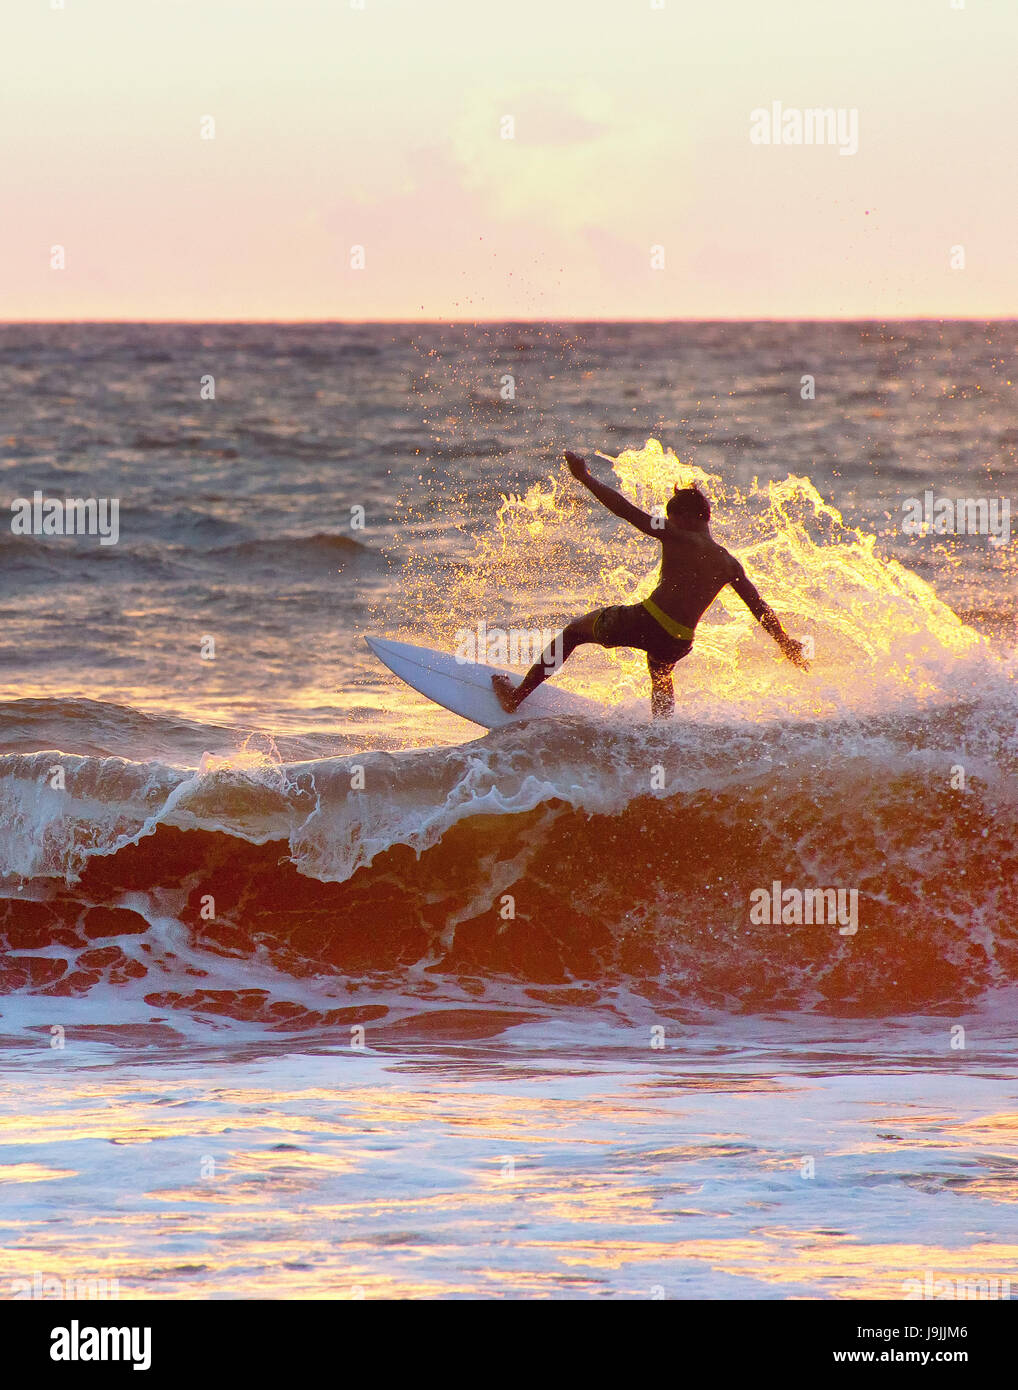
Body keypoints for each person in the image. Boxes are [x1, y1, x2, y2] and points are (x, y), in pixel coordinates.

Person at [492, 450, 810, 720]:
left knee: (574, 632)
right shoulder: (729, 563)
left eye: (670, 518)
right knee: (660, 671)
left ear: (683, 517)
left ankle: (515, 698)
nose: (667, 522)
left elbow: (628, 511)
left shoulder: (677, 535)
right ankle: (662, 734)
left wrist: (585, 478)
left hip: (648, 621)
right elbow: (759, 608)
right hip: (679, 639)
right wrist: (784, 643)